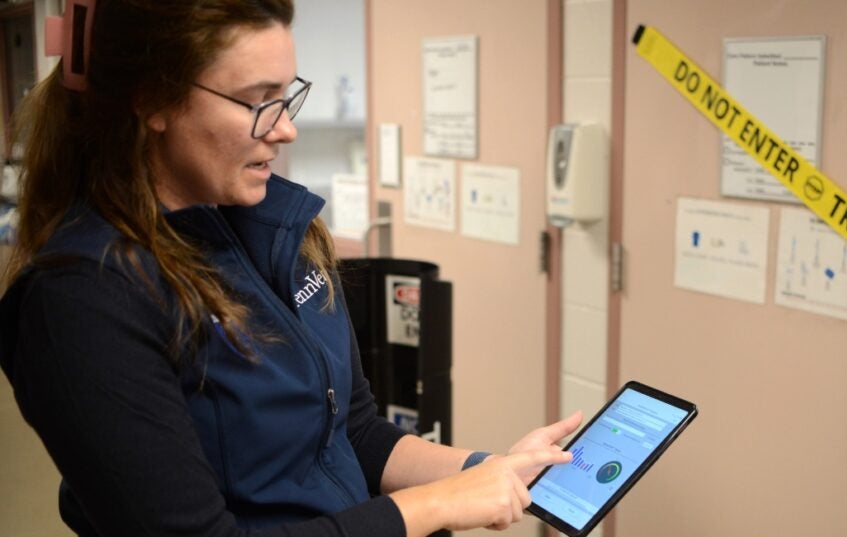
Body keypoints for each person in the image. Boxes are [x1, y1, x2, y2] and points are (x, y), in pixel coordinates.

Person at [0, 1, 582, 536]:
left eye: (287, 94)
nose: (285, 127)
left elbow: (353, 433)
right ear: (154, 99)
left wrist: (491, 470)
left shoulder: (271, 229)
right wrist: (436, 505)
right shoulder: (83, 298)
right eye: (257, 100)